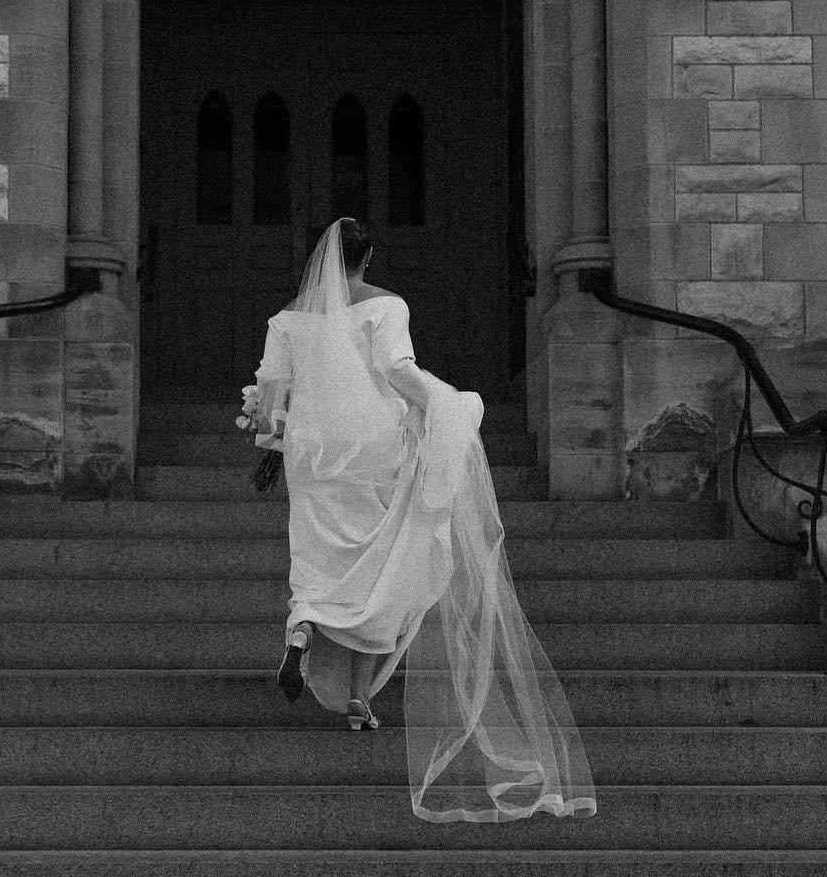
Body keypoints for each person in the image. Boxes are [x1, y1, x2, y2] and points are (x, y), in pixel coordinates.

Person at [253, 217, 596, 822]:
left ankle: (302, 625)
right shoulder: (386, 308)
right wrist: (448, 401)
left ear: (320, 260)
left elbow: (273, 395)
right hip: (375, 450)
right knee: (375, 563)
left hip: (314, 454)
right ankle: (358, 700)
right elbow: (396, 373)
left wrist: (269, 451)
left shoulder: (287, 320)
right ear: (368, 257)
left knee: (317, 556)